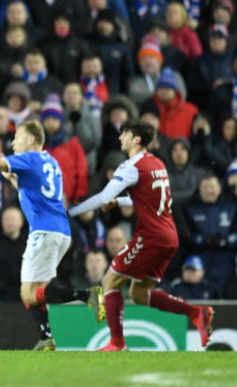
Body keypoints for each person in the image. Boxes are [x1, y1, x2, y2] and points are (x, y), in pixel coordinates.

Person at [69, 121, 215, 351]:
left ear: (136, 139)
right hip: (169, 236)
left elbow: (101, 198)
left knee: (109, 282)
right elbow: (155, 199)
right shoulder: (157, 163)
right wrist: (120, 201)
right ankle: (198, 313)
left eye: (124, 134)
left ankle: (117, 343)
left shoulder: (130, 167)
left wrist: (70, 211)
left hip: (151, 236)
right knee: (138, 294)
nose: (120, 138)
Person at [0, 120, 102, 350]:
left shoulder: (30, 158)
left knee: (27, 294)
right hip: (61, 232)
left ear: (32, 139)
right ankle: (46, 336)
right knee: (37, 290)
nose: (13, 142)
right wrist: (11, 178)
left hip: (44, 232)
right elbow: (33, 190)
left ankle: (86, 295)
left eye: (17, 137)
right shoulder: (51, 162)